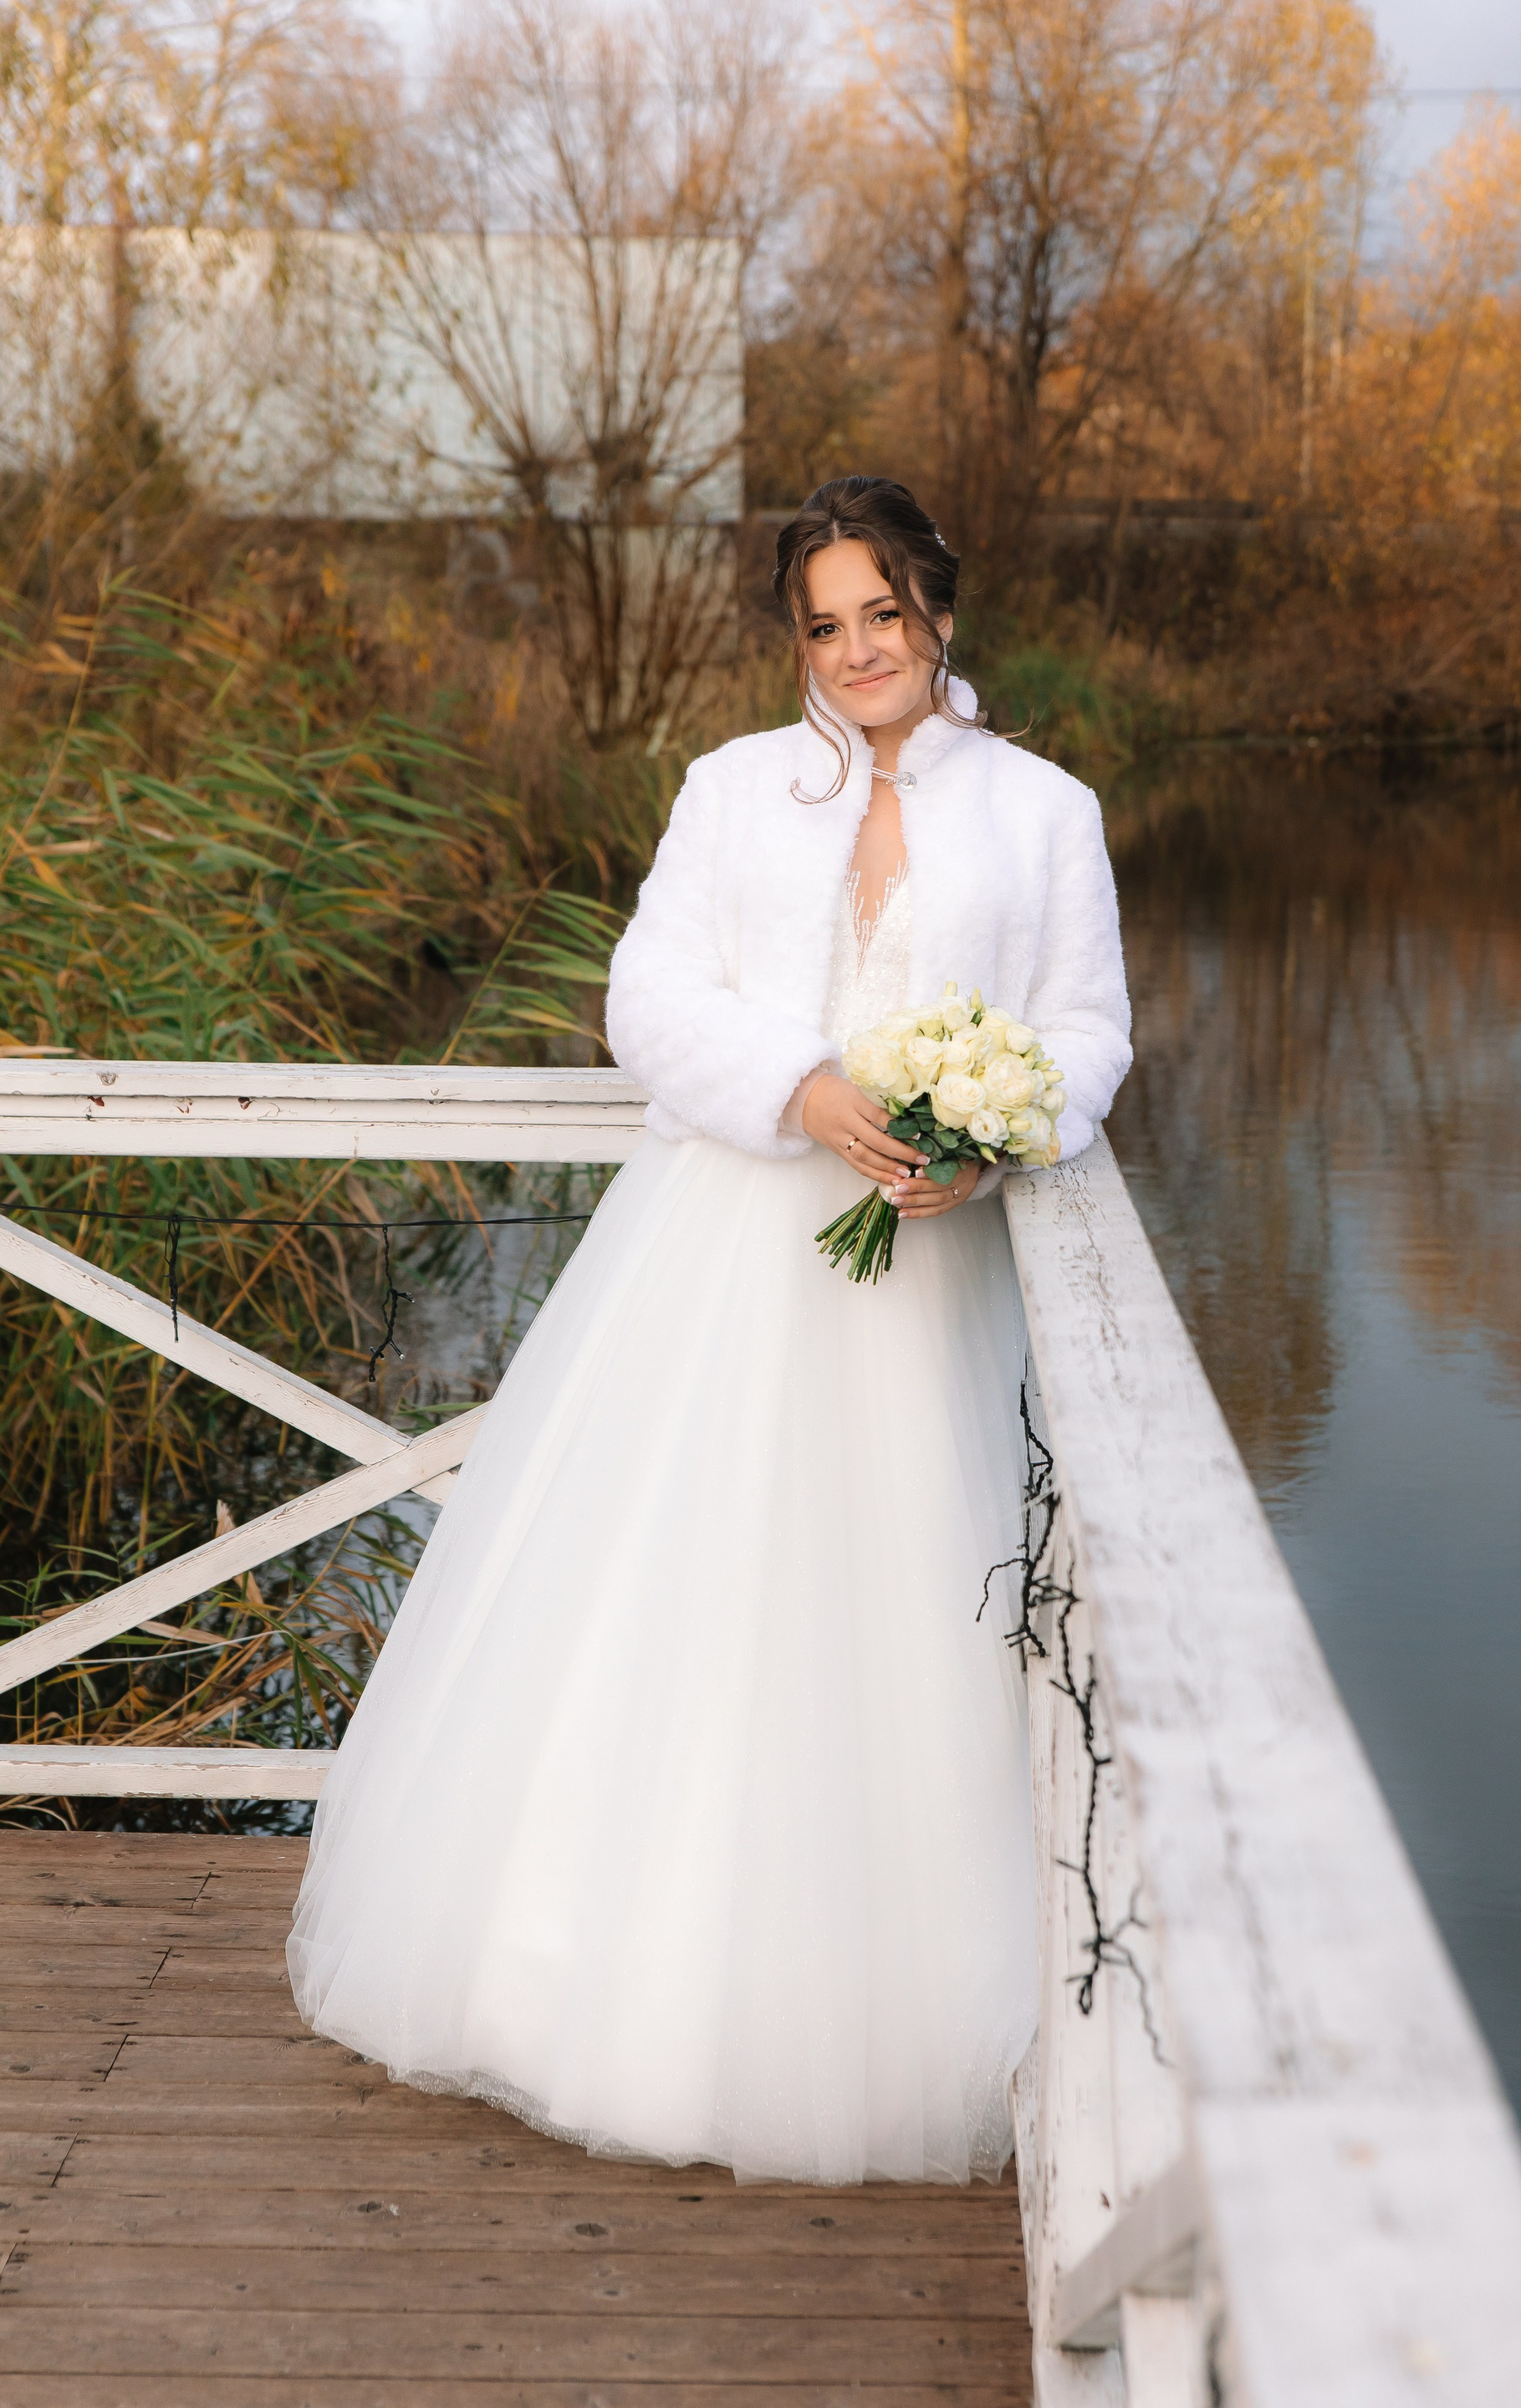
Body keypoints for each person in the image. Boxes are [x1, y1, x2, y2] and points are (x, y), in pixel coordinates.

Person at [287, 475, 1132, 2187]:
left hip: (926, 1288)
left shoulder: (1046, 810)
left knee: (898, 1625)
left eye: (883, 613)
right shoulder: (731, 787)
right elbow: (648, 999)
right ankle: (608, 2000)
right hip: (722, 1259)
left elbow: (1090, 1028)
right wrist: (800, 1089)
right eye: (825, 625)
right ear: (795, 639)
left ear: (938, 608)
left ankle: (880, 2015)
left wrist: (999, 1133)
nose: (859, 650)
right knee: (681, 1603)